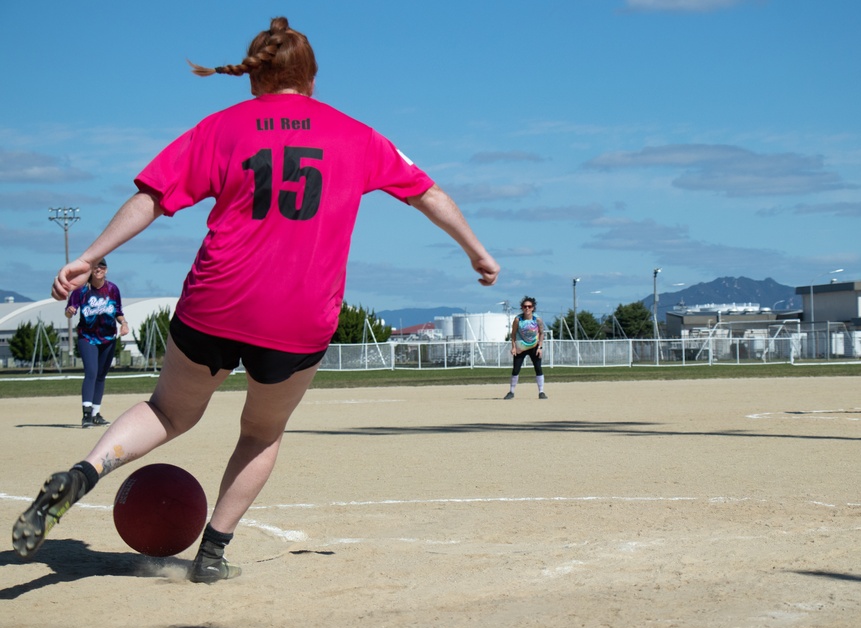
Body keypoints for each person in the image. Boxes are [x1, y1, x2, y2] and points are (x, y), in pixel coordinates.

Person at [12, 17, 499, 583]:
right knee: (261, 432)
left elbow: (152, 197)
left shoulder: (223, 127)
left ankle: (85, 472)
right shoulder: (356, 134)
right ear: (311, 79)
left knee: (169, 411)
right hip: (299, 313)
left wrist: (87, 254)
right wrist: (476, 251)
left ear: (253, 79)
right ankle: (212, 555)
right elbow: (426, 192)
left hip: (218, 298)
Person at [65, 257, 129, 428]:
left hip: (108, 337)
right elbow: (69, 312)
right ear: (90, 270)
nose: (98, 269)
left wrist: (124, 323)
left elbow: (117, 310)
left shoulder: (112, 289)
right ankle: (86, 414)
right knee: (91, 372)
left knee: (101, 375)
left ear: (106, 270)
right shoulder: (81, 290)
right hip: (88, 337)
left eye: (102, 266)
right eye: (95, 267)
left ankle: (95, 413)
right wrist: (70, 311)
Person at [504, 297, 546, 399]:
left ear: (533, 308)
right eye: (525, 306)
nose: (527, 308)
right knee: (516, 369)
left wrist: (540, 347)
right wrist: (513, 347)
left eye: (529, 306)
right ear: (522, 308)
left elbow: (541, 333)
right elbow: (513, 334)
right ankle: (511, 392)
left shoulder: (537, 319)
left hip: (534, 346)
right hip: (521, 346)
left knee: (538, 368)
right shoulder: (518, 319)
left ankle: (541, 392)